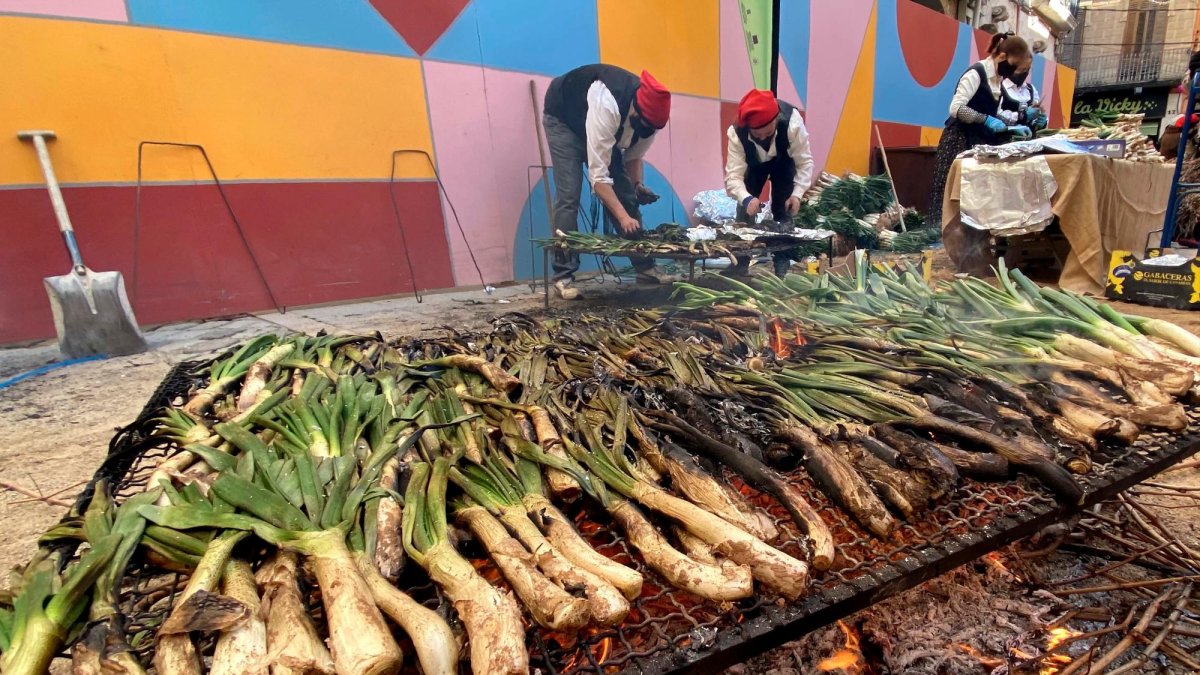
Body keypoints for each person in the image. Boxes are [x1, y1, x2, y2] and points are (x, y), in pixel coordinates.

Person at [542, 64, 672, 300]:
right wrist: (622, 218)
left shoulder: (649, 121)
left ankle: (645, 267)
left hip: (602, 127)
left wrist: (637, 185)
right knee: (569, 195)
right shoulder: (608, 104)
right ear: (635, 111)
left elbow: (633, 157)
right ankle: (563, 275)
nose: (646, 131)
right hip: (564, 118)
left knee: (627, 196)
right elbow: (599, 178)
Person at [928, 33, 1032, 227]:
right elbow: (956, 108)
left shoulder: (998, 81)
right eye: (1015, 66)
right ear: (1002, 57)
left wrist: (1011, 127)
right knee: (947, 192)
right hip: (958, 140)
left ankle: (967, 243)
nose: (1014, 73)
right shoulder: (976, 73)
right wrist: (985, 119)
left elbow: (994, 113)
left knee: (972, 197)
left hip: (979, 142)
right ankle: (937, 239)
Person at [723, 89, 815, 276]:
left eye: (768, 133)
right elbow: (733, 176)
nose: (763, 139)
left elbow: (804, 162)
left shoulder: (792, 123)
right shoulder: (736, 133)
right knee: (743, 214)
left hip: (783, 163)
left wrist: (797, 194)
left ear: (776, 119)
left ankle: (782, 263)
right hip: (754, 166)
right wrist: (747, 199)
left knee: (784, 212)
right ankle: (739, 263)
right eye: (758, 135)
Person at [999, 59, 1047, 134]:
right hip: (1002, 139)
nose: (1025, 73)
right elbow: (997, 115)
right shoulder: (999, 87)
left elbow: (1037, 112)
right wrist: (1022, 116)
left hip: (1027, 140)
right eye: (1023, 69)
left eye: (1028, 69)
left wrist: (1040, 122)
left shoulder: (1031, 89)